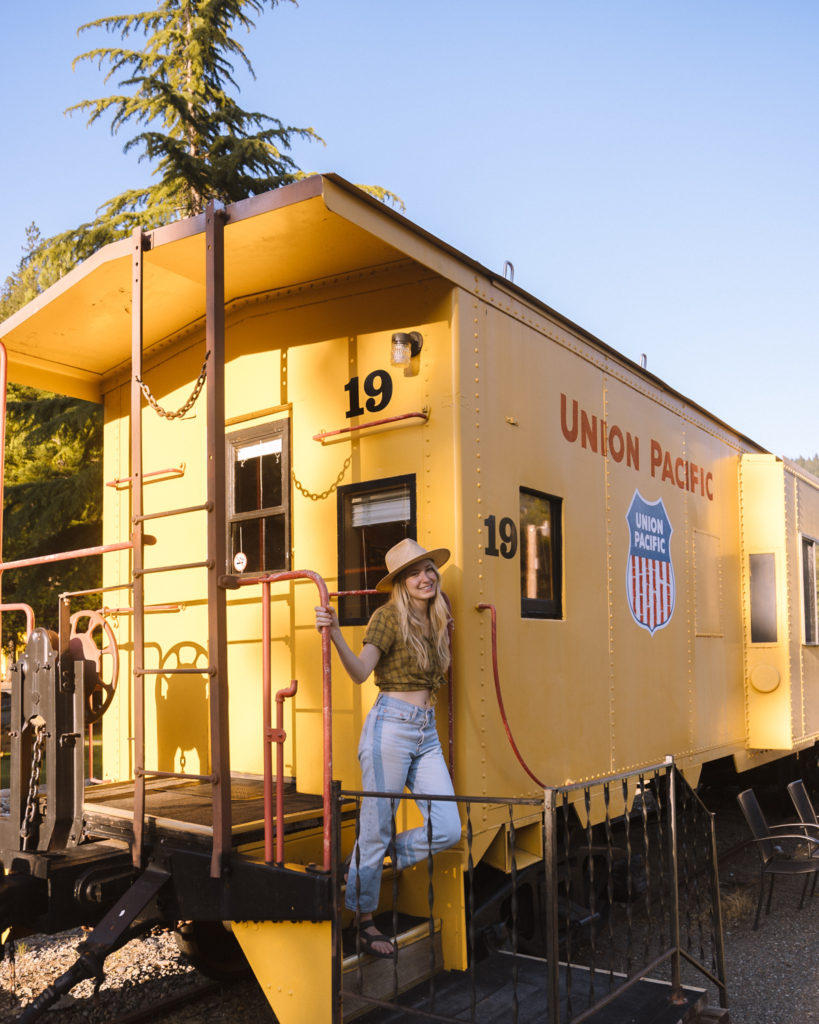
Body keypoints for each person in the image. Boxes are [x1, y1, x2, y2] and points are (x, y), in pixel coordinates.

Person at [314, 538, 462, 958]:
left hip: (425, 731)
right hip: (390, 730)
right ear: (400, 583)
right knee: (376, 828)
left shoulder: (437, 618)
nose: (425, 577)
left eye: (428, 569)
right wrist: (336, 635)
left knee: (448, 827)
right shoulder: (386, 617)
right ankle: (363, 921)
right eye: (414, 573)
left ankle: (371, 859)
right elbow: (361, 672)